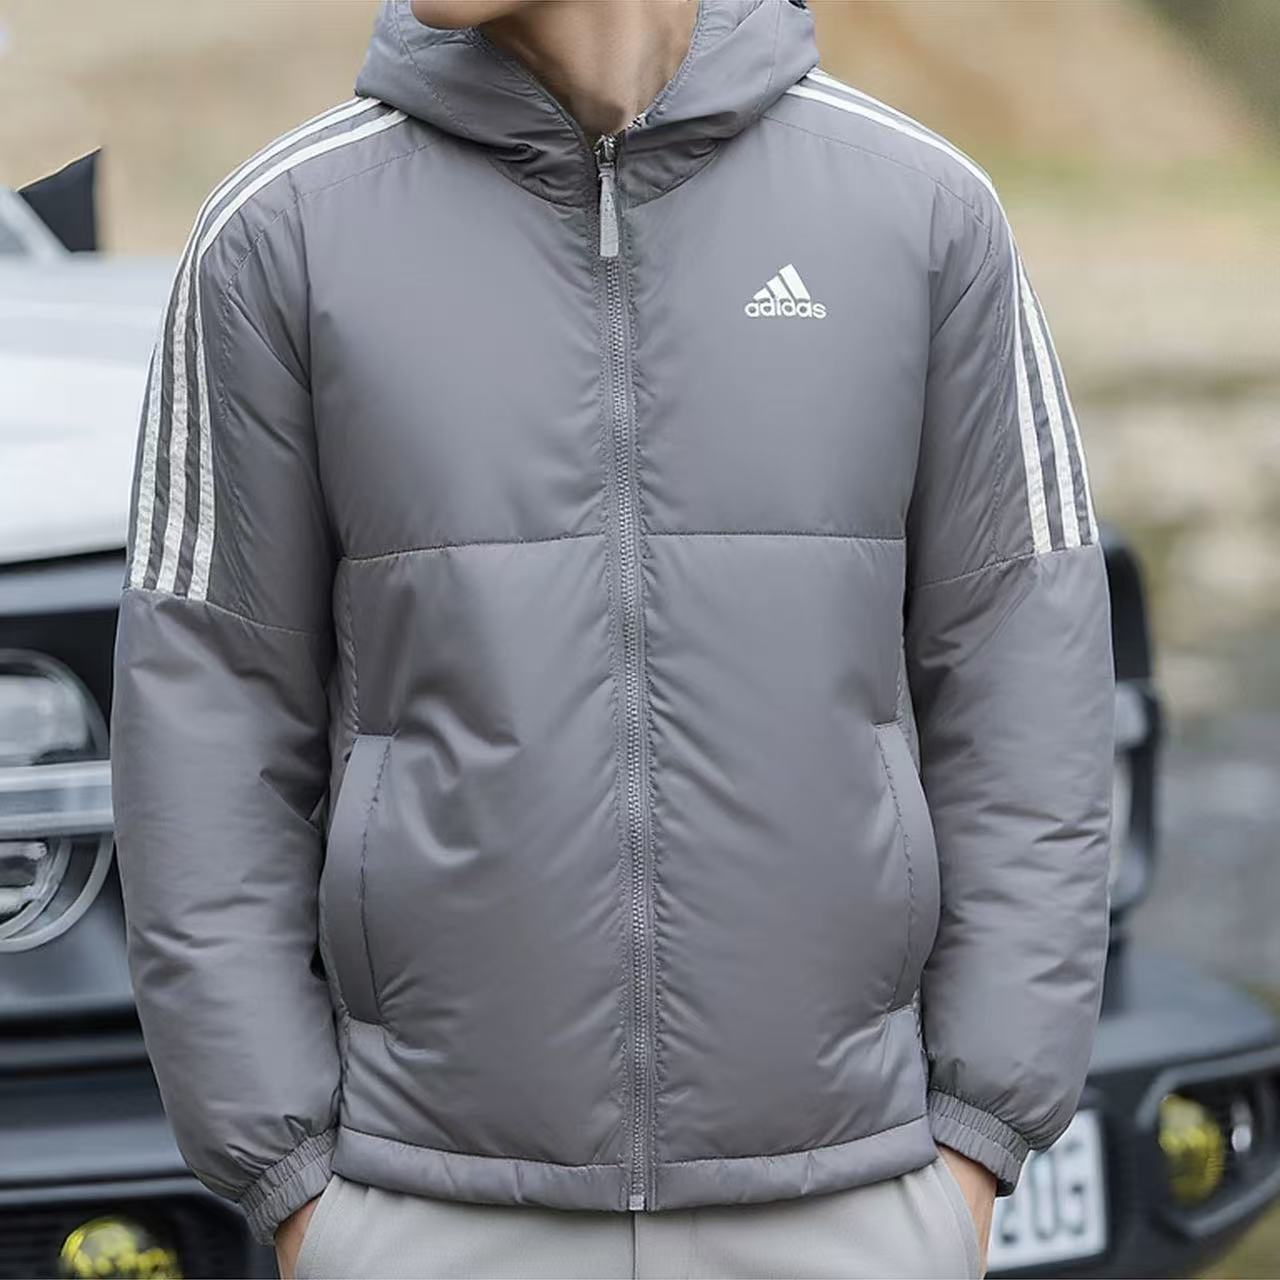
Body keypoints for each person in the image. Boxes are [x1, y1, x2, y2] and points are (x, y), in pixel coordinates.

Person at [110, 0, 1115, 1276]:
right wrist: (294, 1178)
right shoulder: (282, 233)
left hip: (852, 1196)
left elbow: (1026, 691)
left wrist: (974, 1142)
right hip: (424, 1206)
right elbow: (207, 719)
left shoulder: (919, 214)